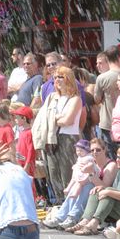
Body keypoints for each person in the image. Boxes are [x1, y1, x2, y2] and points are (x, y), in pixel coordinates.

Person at [46, 137, 117, 230]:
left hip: (102, 197)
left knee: (88, 186)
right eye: (92, 150)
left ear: (104, 150)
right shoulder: (89, 161)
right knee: (77, 186)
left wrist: (91, 173)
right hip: (90, 194)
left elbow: (105, 186)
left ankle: (73, 217)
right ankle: (60, 217)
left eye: (98, 150)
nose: (95, 152)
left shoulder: (110, 165)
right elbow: (77, 176)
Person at [35, 67, 83, 204]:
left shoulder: (75, 99)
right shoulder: (51, 97)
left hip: (68, 138)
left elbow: (68, 121)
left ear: (68, 78)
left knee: (67, 173)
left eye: (60, 77)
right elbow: (42, 117)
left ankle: (70, 204)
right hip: (51, 138)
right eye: (55, 77)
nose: (57, 80)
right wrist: (57, 118)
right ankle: (58, 203)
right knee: (52, 172)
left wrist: (52, 118)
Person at [71, 144, 120, 235]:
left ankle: (94, 224)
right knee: (97, 190)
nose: (117, 160)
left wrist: (107, 191)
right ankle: (85, 221)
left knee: (108, 192)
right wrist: (103, 188)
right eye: (117, 157)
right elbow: (116, 190)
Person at [94, 45, 120, 158]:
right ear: (119, 57)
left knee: (110, 157)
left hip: (108, 123)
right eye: (97, 63)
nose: (98, 66)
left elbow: (97, 99)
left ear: (108, 61)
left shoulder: (102, 78)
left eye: (100, 63)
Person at [13, 105, 35, 176]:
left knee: (30, 184)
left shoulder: (29, 133)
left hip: (27, 164)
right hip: (21, 162)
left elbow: (31, 150)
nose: (15, 120)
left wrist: (27, 165)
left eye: (17, 118)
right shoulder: (22, 132)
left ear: (24, 119)